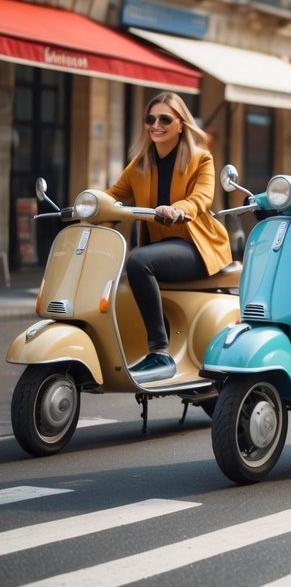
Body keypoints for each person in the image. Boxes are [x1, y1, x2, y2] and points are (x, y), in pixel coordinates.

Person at [106, 93, 233, 382]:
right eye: (150, 119)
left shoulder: (201, 158)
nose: (156, 125)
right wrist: (87, 203)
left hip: (196, 246)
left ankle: (159, 351)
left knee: (138, 262)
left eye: (165, 119)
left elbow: (201, 198)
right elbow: (112, 195)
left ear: (181, 124)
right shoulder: (140, 163)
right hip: (162, 248)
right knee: (124, 265)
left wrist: (178, 210)